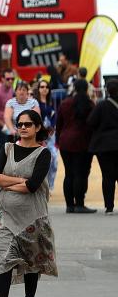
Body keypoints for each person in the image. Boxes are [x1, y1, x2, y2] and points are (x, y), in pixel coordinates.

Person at [0, 109, 57, 297]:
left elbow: (32, 186)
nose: (23, 128)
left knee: (32, 262)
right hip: (3, 214)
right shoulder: (7, 148)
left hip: (33, 217)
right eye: (20, 124)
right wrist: (19, 181)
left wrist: (6, 183)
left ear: (37, 128)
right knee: (5, 257)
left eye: (28, 124)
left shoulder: (43, 153)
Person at [56, 79, 96, 213]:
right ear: (86, 89)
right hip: (82, 142)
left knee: (69, 173)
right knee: (80, 173)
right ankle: (79, 203)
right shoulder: (89, 104)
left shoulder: (65, 103)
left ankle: (69, 205)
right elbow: (93, 124)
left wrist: (57, 140)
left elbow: (59, 124)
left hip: (65, 141)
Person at [87, 80, 118, 214]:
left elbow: (90, 122)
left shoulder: (101, 105)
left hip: (104, 145)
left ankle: (109, 207)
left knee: (107, 176)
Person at [34, 79, 59, 190]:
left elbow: (54, 116)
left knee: (54, 159)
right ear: (38, 89)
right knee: (39, 161)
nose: (44, 89)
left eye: (46, 87)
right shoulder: (35, 103)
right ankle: (40, 184)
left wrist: (53, 126)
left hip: (50, 136)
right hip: (39, 135)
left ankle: (50, 184)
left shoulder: (51, 101)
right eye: (42, 87)